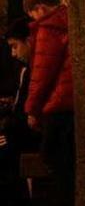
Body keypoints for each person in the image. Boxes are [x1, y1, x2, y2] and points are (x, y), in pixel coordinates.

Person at [24, 0, 85, 206]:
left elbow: (41, 74)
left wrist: (32, 109)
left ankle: (65, 198)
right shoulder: (74, 18)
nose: (34, 19)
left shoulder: (49, 29)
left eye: (32, 14)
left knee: (53, 156)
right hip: (79, 95)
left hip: (62, 100)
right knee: (69, 154)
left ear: (39, 8)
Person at [0, 18, 37, 204]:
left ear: (28, 41)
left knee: (5, 154)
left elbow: (25, 114)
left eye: (15, 47)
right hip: (23, 131)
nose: (13, 53)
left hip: (27, 135)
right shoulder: (29, 67)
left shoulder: (33, 69)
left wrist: (8, 127)